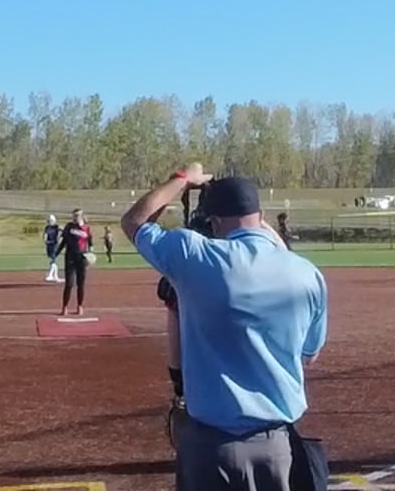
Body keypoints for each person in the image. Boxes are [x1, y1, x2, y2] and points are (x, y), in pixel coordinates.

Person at [125, 166, 328, 491]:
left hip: (209, 447)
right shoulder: (307, 274)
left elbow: (135, 221)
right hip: (277, 447)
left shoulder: (194, 255)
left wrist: (183, 178)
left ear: (214, 221)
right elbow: (309, 354)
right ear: (261, 217)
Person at [59, 209, 94, 317]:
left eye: (77, 215)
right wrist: (56, 252)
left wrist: (91, 254)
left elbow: (90, 243)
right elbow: (64, 242)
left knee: (81, 284)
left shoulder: (86, 228)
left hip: (81, 258)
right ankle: (65, 307)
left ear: (82, 216)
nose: (75, 217)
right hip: (70, 257)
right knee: (69, 284)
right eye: (74, 215)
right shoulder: (69, 227)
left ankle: (80, 306)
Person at [43, 214, 63, 283]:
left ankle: (51, 275)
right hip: (49, 245)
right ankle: (55, 276)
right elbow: (45, 235)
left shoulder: (57, 227)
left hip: (54, 245)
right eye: (49, 221)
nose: (50, 222)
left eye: (51, 221)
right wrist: (45, 240)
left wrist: (59, 239)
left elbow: (63, 231)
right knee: (52, 260)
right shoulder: (47, 227)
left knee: (53, 260)